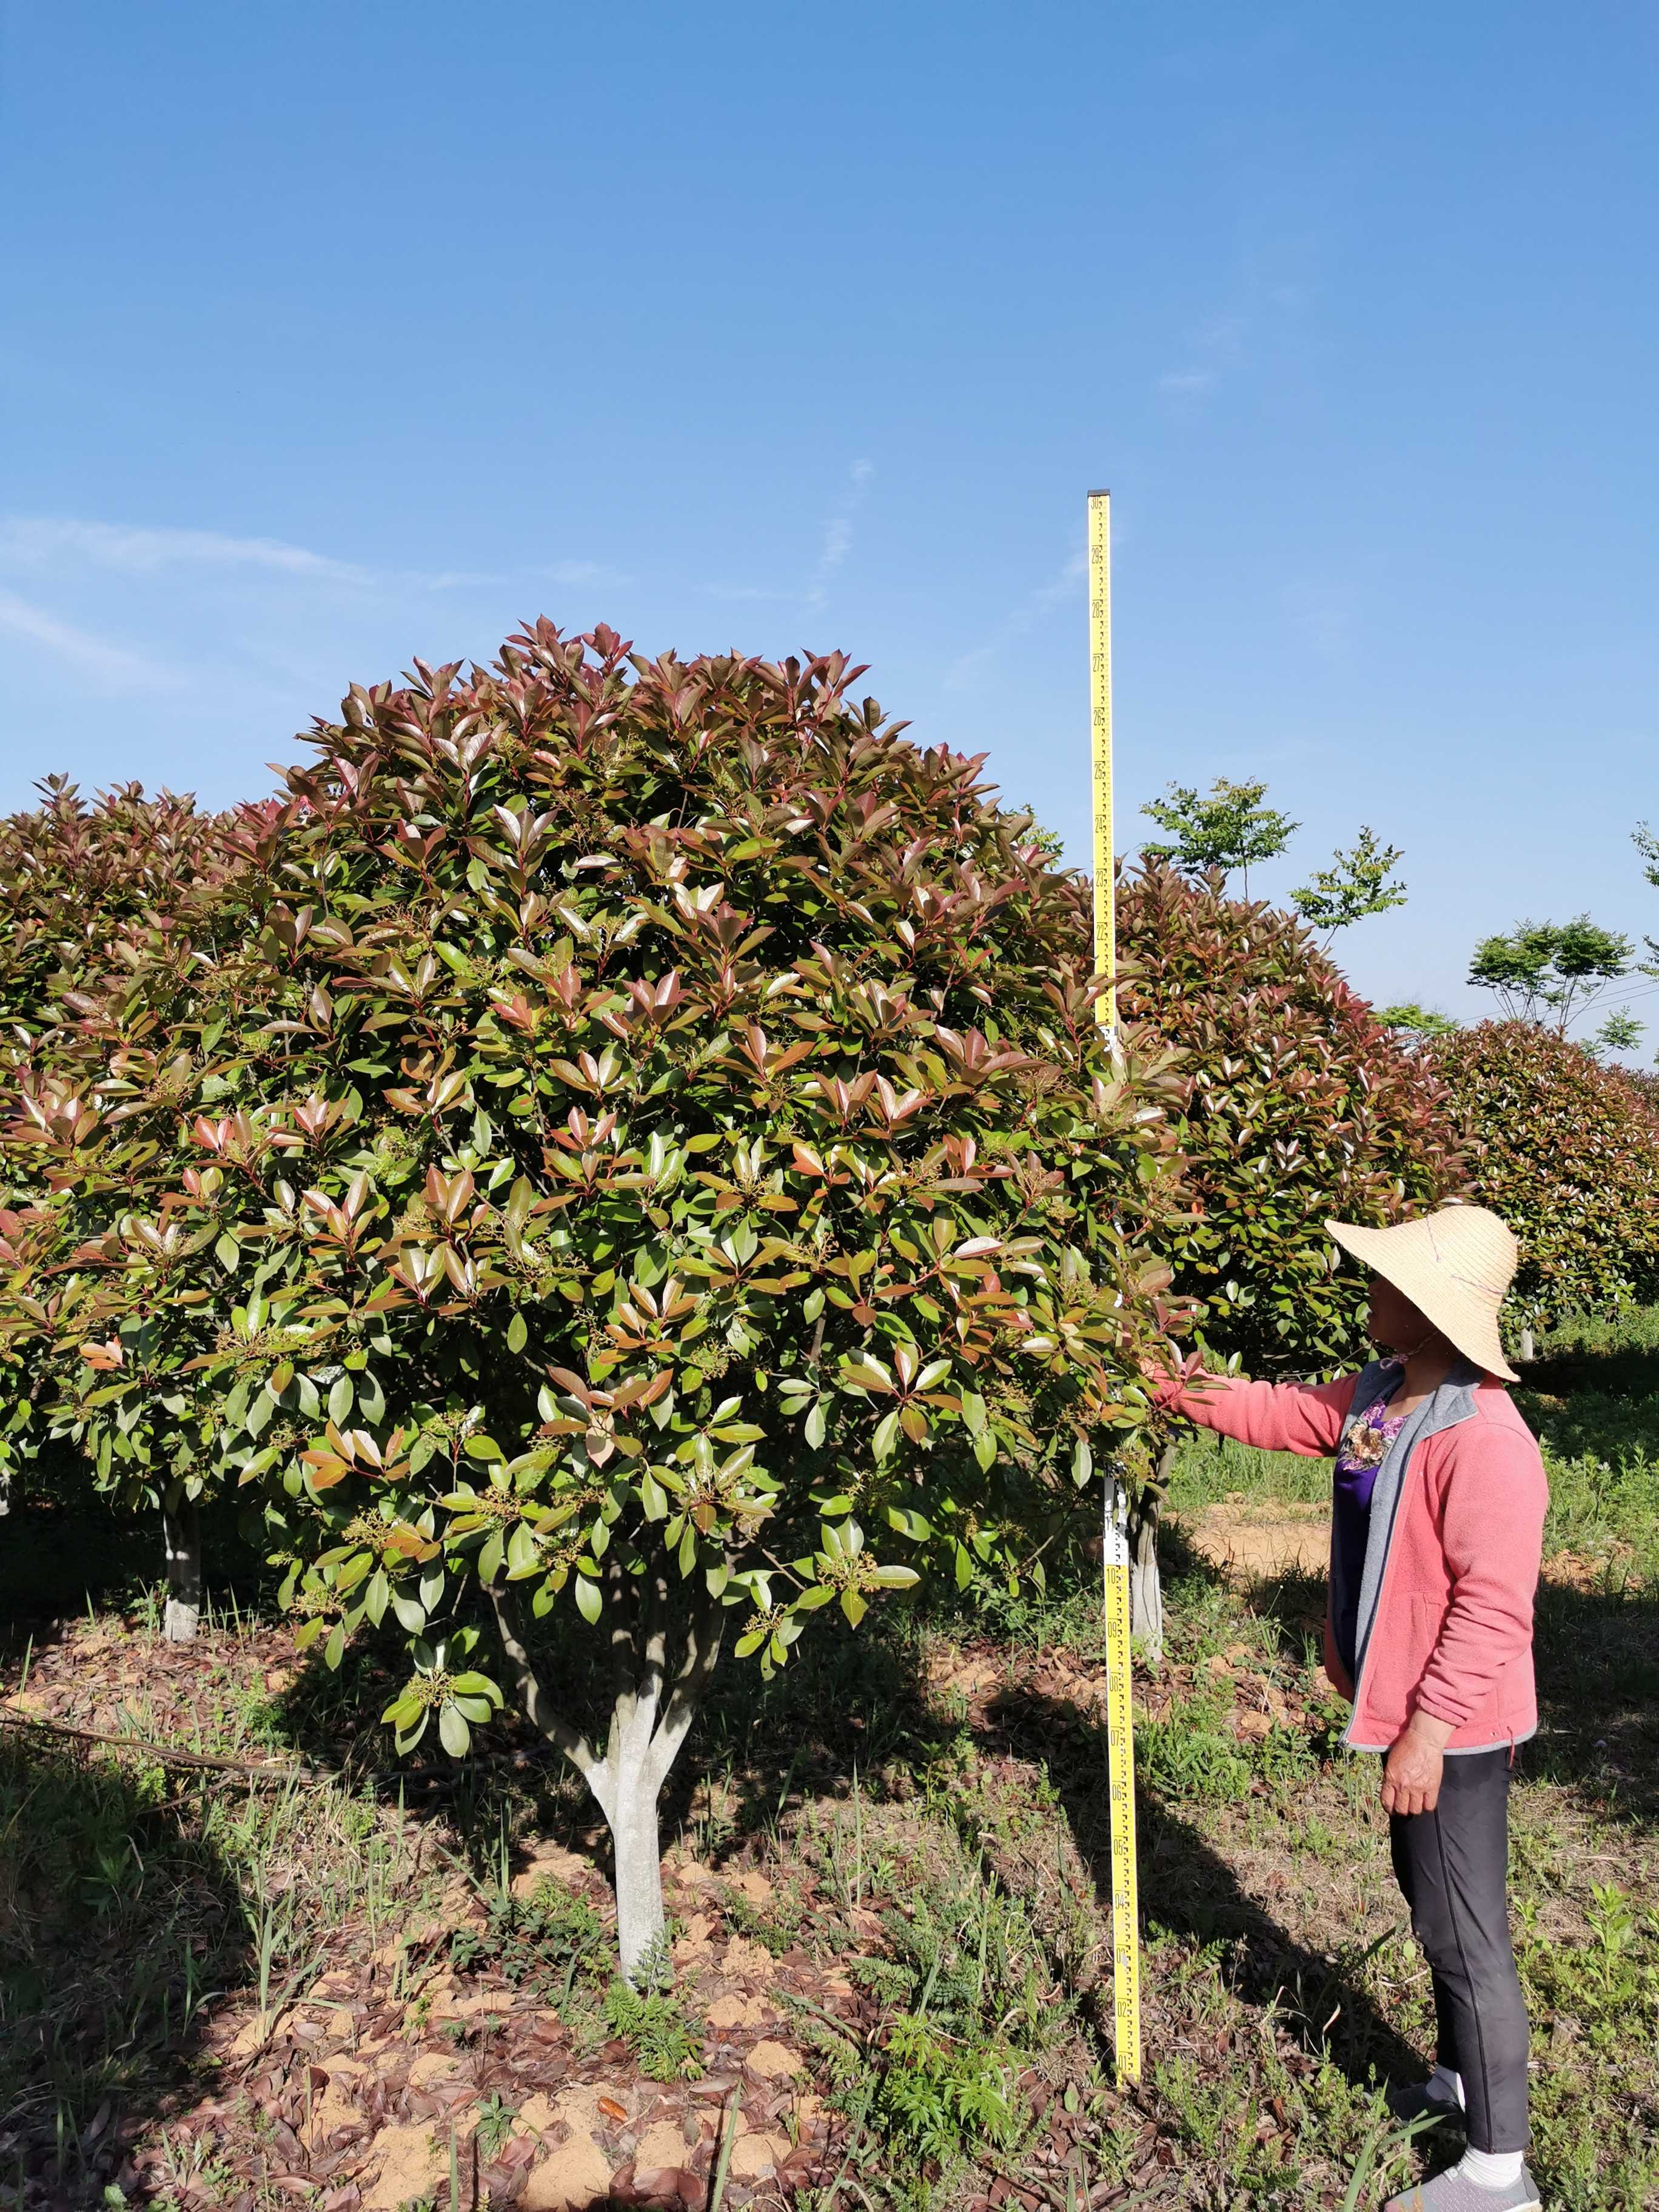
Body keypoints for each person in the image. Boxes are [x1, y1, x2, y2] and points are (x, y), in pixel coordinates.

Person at [1145, 1204, 1547, 2212]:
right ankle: (1458, 2081)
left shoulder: (1486, 1440)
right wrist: (1168, 1385)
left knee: (1468, 1932)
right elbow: (1282, 1413)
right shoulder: (1383, 1397)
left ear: (1429, 1306)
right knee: (1432, 1905)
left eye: (1384, 1278)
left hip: (1453, 1725)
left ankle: (1501, 2176)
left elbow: (1494, 1609)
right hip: (1410, 1712)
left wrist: (1426, 1731)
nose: (1367, 1288)